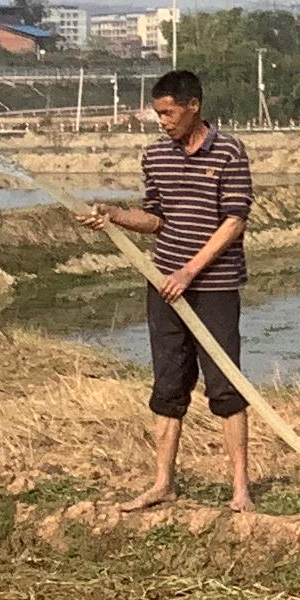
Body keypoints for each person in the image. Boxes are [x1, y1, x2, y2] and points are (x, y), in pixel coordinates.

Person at [76, 69, 255, 511]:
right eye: (158, 113)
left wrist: (190, 271)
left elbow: (234, 221)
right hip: (164, 287)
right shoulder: (156, 156)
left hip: (213, 286)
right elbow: (155, 218)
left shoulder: (229, 151)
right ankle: (162, 484)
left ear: (194, 106)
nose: (163, 121)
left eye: (169, 112)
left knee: (225, 386)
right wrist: (115, 215)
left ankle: (240, 490)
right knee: (168, 385)